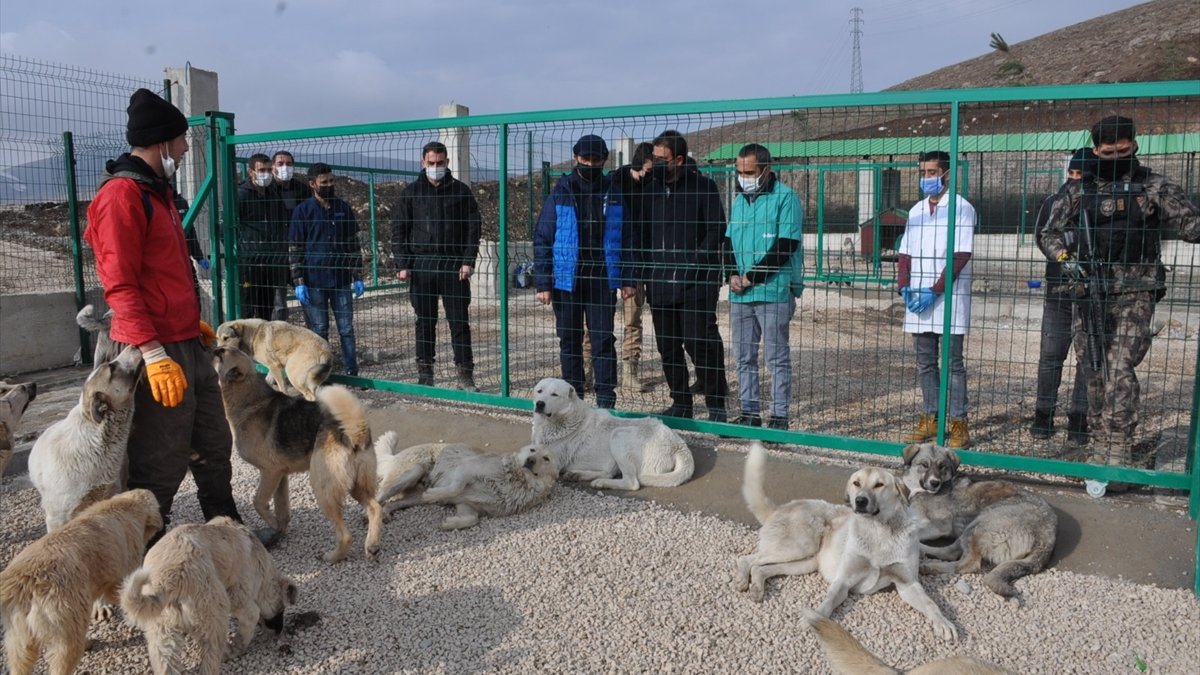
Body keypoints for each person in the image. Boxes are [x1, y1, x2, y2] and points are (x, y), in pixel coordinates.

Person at [83, 88, 241, 537]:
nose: (186, 148)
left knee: (212, 439)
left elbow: (168, 273)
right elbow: (121, 284)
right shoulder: (122, 197)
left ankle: (226, 527)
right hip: (152, 346)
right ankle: (147, 545)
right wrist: (151, 352)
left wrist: (191, 324)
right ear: (160, 143)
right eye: (181, 140)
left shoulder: (159, 194)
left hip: (185, 341)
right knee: (160, 452)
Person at [1038, 115, 1200, 473]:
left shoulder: (1153, 187)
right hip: (1090, 292)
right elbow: (1049, 233)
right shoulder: (1079, 189)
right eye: (1107, 151)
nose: (1114, 157)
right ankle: (1100, 443)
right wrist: (1067, 259)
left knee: (1120, 367)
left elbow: (1190, 224)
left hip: (1136, 293)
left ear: (1135, 146)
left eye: (1122, 150)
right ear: (1095, 149)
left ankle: (1119, 445)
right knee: (1094, 369)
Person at [632, 130, 728, 421]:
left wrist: (695, 262)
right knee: (669, 347)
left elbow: (716, 229)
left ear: (679, 159)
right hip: (660, 282)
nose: (656, 163)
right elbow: (639, 230)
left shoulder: (703, 187)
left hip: (696, 283)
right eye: (654, 158)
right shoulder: (649, 190)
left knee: (700, 343)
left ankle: (716, 405)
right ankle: (681, 404)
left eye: (662, 159)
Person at [534, 134, 634, 409]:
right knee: (569, 339)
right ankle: (573, 401)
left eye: (596, 160)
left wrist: (628, 279)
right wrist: (543, 282)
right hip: (567, 279)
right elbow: (543, 237)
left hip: (602, 277)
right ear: (576, 158)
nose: (590, 164)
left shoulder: (613, 192)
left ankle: (605, 402)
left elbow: (627, 238)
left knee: (603, 340)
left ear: (604, 160)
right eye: (585, 159)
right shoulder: (562, 192)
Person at [898, 150, 976, 449]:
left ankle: (958, 423)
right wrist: (905, 285)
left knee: (953, 363)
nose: (927, 178)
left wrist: (937, 289)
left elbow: (961, 254)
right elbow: (905, 252)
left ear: (946, 174)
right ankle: (931, 417)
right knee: (925, 363)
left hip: (949, 298)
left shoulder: (961, 208)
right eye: (923, 172)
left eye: (932, 172)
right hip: (918, 297)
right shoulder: (917, 210)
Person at [391, 141, 483, 391]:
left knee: (459, 322)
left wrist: (467, 261)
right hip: (422, 266)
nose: (435, 167)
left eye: (440, 163)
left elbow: (472, 229)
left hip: (454, 266)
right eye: (431, 163)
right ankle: (425, 372)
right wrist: (403, 264)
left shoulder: (461, 192)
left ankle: (465, 374)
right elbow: (399, 231)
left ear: (447, 163)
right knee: (424, 321)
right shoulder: (410, 194)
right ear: (423, 162)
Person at [724, 144, 803, 430]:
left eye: (749, 172)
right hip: (741, 294)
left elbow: (785, 245)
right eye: (739, 172)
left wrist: (750, 278)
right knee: (744, 357)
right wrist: (732, 273)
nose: (742, 177)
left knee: (775, 356)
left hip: (772, 291)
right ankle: (749, 413)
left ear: (766, 170)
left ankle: (779, 415)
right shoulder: (740, 200)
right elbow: (729, 241)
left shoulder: (786, 198)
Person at [1030, 148, 1093, 442]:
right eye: (1072, 174)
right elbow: (1042, 236)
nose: (1075, 180)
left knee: (1088, 358)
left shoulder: (1099, 204)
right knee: (1051, 355)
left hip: (1092, 296)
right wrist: (1066, 259)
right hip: (1058, 292)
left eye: (1082, 175)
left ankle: (1079, 418)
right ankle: (1043, 415)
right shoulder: (1054, 202)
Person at [288, 162, 365, 376]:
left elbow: (353, 244)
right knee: (319, 330)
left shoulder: (343, 208)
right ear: (313, 184)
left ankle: (352, 370)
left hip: (340, 279)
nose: (329, 185)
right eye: (324, 182)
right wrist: (299, 281)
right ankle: (322, 371)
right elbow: (295, 248)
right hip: (314, 281)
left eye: (331, 181)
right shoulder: (302, 212)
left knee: (346, 329)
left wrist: (357, 275)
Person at [612, 141, 656, 393]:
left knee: (633, 320)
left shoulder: (653, 187)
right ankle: (588, 371)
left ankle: (630, 373)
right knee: (595, 322)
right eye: (649, 170)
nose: (652, 175)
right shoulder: (612, 183)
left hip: (637, 262)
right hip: (610, 260)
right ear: (639, 164)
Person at [236, 153, 289, 320]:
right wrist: (241, 249)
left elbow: (281, 223)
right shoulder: (241, 195)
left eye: (268, 170)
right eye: (261, 170)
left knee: (267, 310)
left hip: (270, 261)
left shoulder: (273, 194)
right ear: (251, 171)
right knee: (248, 309)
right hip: (249, 262)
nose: (265, 174)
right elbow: (227, 228)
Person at [269, 150, 310, 320]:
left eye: (289, 164)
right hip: (276, 256)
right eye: (280, 164)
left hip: (300, 255)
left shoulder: (303, 190)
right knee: (278, 307)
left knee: (310, 303)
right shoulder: (266, 191)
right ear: (272, 167)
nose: (285, 167)